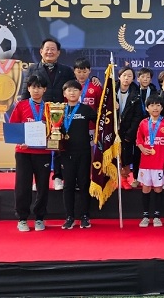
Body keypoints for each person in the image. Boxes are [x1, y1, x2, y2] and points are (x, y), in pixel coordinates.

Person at [20, 38, 75, 191]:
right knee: (37, 146)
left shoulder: (66, 70)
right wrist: (24, 108)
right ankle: (38, 179)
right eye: (47, 49)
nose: (49, 52)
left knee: (58, 146)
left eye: (53, 49)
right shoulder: (32, 69)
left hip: (59, 114)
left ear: (58, 52)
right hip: (38, 112)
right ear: (41, 51)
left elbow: (73, 89)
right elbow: (26, 90)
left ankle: (58, 177)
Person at [9, 75, 51, 232]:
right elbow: (13, 127)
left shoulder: (50, 108)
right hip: (24, 152)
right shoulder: (21, 105)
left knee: (42, 186)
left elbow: (55, 129)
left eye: (40, 87)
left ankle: (40, 218)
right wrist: (21, 140)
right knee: (22, 185)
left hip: (43, 152)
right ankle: (22, 218)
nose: (36, 90)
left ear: (44, 89)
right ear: (28, 88)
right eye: (33, 87)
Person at [59, 80, 97, 229]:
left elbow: (101, 122)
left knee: (83, 184)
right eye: (69, 90)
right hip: (66, 153)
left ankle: (85, 216)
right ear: (64, 94)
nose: (72, 93)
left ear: (80, 92)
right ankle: (69, 216)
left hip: (84, 152)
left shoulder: (86, 109)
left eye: (75, 90)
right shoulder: (59, 110)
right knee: (68, 185)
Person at [136, 94, 164, 228]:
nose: (155, 108)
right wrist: (142, 148)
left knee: (158, 188)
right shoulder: (143, 123)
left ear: (162, 107)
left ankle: (157, 216)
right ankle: (146, 216)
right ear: (147, 108)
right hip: (146, 162)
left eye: (158, 105)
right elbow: (139, 140)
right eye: (152, 105)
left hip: (160, 162)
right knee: (146, 188)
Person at [116, 67, 145, 189]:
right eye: (124, 75)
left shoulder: (136, 94)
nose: (126, 78)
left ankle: (124, 178)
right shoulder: (110, 91)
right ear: (119, 77)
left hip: (128, 130)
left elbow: (138, 116)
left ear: (133, 78)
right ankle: (112, 179)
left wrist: (130, 133)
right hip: (114, 130)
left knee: (127, 154)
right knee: (114, 154)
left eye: (129, 76)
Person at [73, 57, 102, 142]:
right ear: (74, 71)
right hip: (73, 124)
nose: (81, 75)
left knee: (91, 150)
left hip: (91, 125)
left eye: (84, 72)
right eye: (79, 72)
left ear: (90, 71)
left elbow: (100, 106)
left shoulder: (96, 87)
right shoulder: (70, 87)